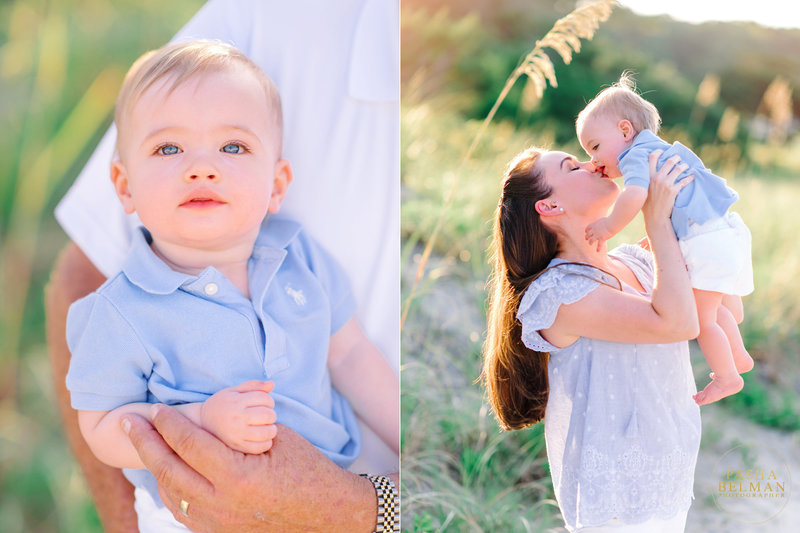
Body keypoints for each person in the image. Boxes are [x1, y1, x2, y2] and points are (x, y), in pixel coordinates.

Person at [46, 1, 399, 531]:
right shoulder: (121, 309)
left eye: (233, 146)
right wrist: (197, 421)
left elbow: (349, 355)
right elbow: (101, 424)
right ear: (123, 186)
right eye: (169, 149)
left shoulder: (296, 258)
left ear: (277, 184)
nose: (202, 168)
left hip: (334, 496)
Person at [482, 146, 702, 532]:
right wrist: (657, 222)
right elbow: (678, 324)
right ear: (549, 207)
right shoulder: (560, 293)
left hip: (669, 464)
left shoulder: (635, 260)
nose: (592, 163)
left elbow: (720, 311)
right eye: (572, 166)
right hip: (615, 489)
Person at [576, 74, 754, 405]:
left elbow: (634, 196)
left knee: (702, 321)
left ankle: (728, 378)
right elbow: (676, 202)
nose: (593, 160)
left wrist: (608, 226)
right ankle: (739, 356)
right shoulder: (658, 150)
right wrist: (654, 234)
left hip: (707, 242)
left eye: (595, 147)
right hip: (724, 231)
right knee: (711, 307)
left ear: (625, 131)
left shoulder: (633, 156)